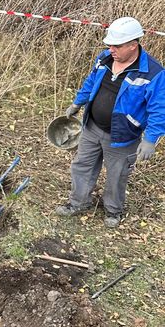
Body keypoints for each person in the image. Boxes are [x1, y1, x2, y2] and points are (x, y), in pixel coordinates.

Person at [55, 16, 165, 228]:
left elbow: (159, 109)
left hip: (123, 136)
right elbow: (90, 81)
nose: (111, 49)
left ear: (133, 46)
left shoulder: (154, 73)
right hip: (92, 126)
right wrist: (78, 102)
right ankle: (79, 202)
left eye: (116, 45)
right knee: (82, 165)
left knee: (117, 174)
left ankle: (113, 210)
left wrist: (151, 139)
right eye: (109, 45)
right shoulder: (105, 58)